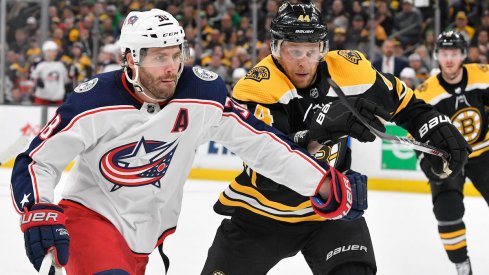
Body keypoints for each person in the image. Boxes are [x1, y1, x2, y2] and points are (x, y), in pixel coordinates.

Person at [11, 9, 372, 275]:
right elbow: (37, 160)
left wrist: (322, 182)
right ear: (129, 60)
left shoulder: (202, 93)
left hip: (146, 233)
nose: (171, 67)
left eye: (176, 54)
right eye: (158, 58)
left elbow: (261, 144)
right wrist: (38, 210)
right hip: (90, 218)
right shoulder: (93, 100)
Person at [202, 2, 471, 275]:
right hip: (262, 214)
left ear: (323, 48)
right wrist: (320, 129)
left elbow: (403, 102)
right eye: (294, 50)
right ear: (276, 48)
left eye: (312, 50)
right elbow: (271, 167)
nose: (304, 61)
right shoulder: (256, 87)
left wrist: (434, 125)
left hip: (333, 209)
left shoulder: (349, 69)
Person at [415, 31, 489, 275]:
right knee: (447, 210)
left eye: (454, 53)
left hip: (485, 153)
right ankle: (461, 263)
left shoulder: (483, 75)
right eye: (444, 53)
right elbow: (418, 134)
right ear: (436, 55)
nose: (449, 59)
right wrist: (428, 162)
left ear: (464, 55)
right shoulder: (426, 93)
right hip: (450, 158)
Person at [30, 40, 70, 105]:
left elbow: (66, 81)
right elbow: (32, 78)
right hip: (42, 98)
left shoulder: (60, 65)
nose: (55, 53)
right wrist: (37, 81)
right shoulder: (39, 64)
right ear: (46, 52)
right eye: (52, 51)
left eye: (55, 51)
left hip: (57, 98)